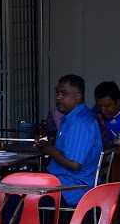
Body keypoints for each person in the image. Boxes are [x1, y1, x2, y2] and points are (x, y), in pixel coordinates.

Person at [36, 74, 102, 206]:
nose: (58, 97)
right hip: (64, 181)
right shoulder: (70, 118)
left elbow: (74, 164)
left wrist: (49, 149)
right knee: (21, 186)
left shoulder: (80, 123)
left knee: (19, 196)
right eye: (58, 93)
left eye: (64, 93)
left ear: (77, 97)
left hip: (74, 187)